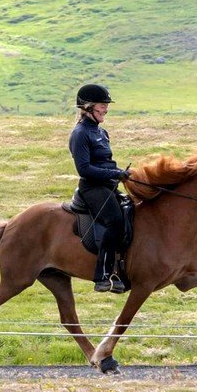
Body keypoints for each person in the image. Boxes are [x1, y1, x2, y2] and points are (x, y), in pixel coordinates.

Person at [68, 84, 130, 293]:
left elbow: (105, 163)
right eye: (102, 105)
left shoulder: (101, 132)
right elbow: (84, 169)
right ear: (88, 107)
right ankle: (103, 275)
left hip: (108, 185)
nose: (106, 109)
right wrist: (115, 174)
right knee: (115, 221)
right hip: (92, 188)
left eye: (106, 105)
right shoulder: (81, 133)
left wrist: (121, 173)